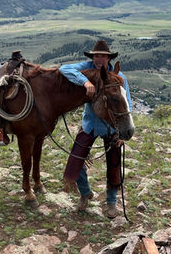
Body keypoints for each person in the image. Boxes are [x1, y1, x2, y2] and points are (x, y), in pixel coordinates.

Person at [59, 40, 132, 218]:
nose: (99, 59)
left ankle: (111, 203)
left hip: (112, 126)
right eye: (96, 56)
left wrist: (122, 131)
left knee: (114, 163)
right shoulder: (88, 68)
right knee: (76, 158)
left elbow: (126, 102)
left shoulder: (119, 77)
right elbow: (64, 69)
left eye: (103, 56)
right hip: (90, 124)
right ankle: (85, 193)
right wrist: (85, 82)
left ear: (109, 58)